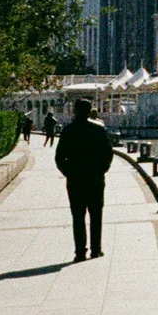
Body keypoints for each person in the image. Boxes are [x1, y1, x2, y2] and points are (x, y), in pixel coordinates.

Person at [54, 99, 114, 262]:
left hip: (75, 180)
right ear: (89, 111)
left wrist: (69, 173)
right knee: (96, 215)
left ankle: (80, 251)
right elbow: (108, 153)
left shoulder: (68, 131)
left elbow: (59, 157)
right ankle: (96, 249)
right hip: (95, 179)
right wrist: (101, 170)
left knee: (78, 216)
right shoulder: (99, 129)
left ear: (75, 111)